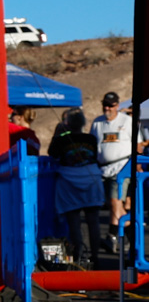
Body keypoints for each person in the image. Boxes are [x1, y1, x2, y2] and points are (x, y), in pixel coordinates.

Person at [90, 91, 145, 255]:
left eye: (111, 105)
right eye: (105, 105)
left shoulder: (127, 121)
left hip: (122, 166)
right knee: (114, 205)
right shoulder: (97, 123)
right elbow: (93, 145)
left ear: (117, 106)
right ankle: (123, 235)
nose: (108, 108)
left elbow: (138, 145)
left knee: (115, 203)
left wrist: (138, 165)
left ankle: (119, 236)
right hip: (103, 169)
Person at [48, 108, 104, 267]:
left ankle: (78, 255)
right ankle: (95, 256)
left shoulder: (61, 140)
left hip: (69, 181)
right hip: (91, 179)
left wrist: (57, 134)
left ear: (67, 123)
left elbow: (53, 154)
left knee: (74, 221)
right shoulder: (91, 139)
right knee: (93, 221)